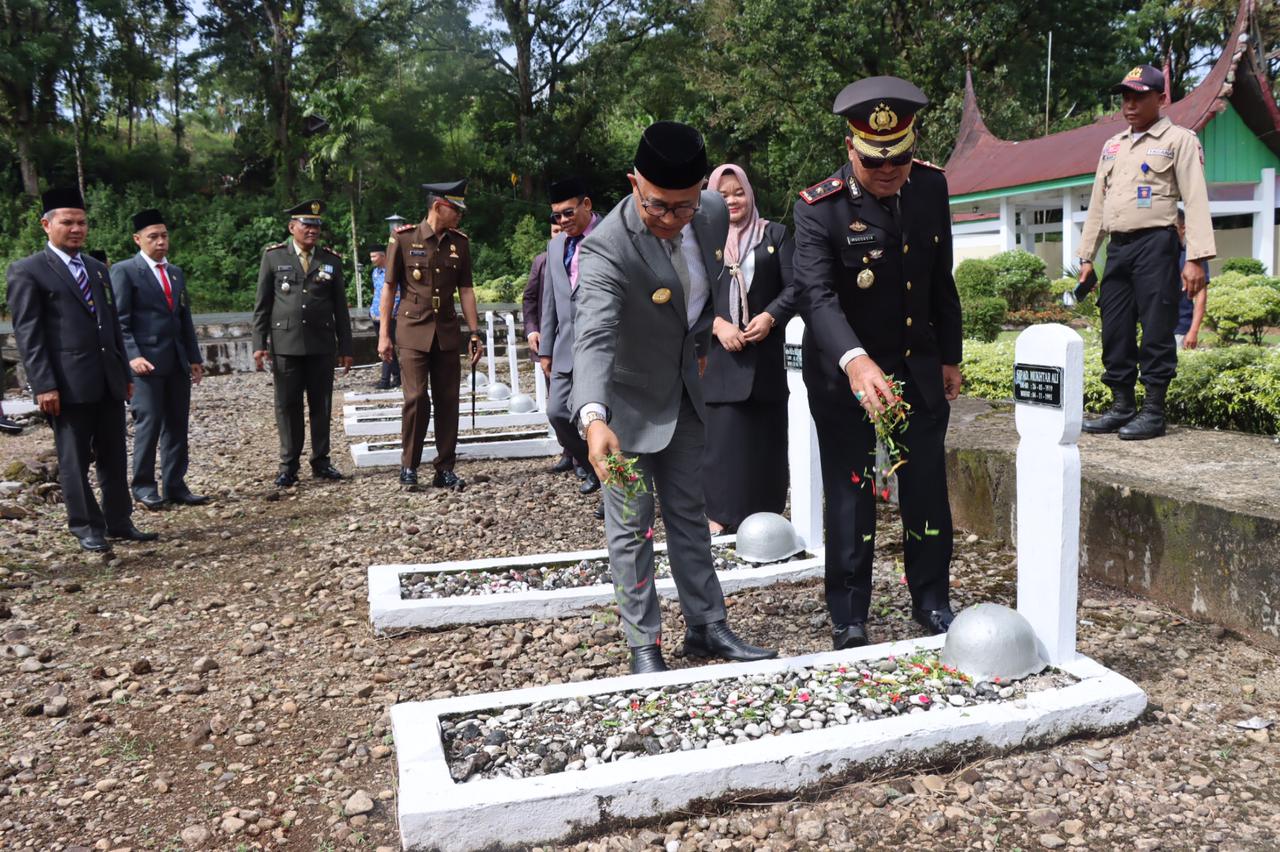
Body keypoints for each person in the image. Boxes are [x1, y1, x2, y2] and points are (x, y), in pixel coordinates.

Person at [573, 120, 776, 674]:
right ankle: (645, 644)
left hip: (685, 393)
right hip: (624, 405)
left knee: (691, 513)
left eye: (683, 208)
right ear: (634, 181)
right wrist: (594, 418)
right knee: (631, 527)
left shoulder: (709, 211)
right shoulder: (605, 249)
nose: (671, 220)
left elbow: (699, 286)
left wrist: (699, 342)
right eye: (659, 206)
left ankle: (707, 626)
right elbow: (592, 338)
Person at [793, 77, 963, 649]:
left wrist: (950, 356)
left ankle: (933, 600)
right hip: (846, 376)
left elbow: (941, 280)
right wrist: (855, 361)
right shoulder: (819, 208)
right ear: (850, 149)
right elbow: (817, 298)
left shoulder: (930, 188)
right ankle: (849, 615)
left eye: (900, 158)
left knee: (925, 486)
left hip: (916, 366)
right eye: (874, 161)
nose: (889, 171)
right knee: (851, 490)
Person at [6, 187, 157, 551]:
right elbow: (29, 333)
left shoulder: (95, 268)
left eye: (82, 222)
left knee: (113, 454)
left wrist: (123, 375)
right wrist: (44, 385)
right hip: (66, 384)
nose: (76, 229)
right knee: (73, 458)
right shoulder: (29, 271)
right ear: (47, 225)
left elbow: (110, 323)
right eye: (67, 222)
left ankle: (119, 521)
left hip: (107, 379)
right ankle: (86, 526)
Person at [1078, 64, 1214, 440]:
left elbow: (1196, 200)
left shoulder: (1179, 140)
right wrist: (1087, 256)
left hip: (1157, 244)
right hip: (1118, 248)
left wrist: (1196, 258)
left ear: (1161, 98)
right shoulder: (1113, 146)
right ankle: (1122, 405)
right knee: (1115, 326)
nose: (1130, 104)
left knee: (1156, 326)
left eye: (1139, 96)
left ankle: (1153, 410)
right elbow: (1098, 204)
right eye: (1125, 96)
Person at [702, 163, 798, 534]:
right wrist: (717, 325)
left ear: (750, 193)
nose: (732, 201)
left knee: (766, 443)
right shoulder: (700, 240)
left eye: (738, 192)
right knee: (723, 445)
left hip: (766, 359)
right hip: (719, 359)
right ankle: (719, 517)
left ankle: (767, 518)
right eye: (723, 195)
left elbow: (796, 286)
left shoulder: (774, 233)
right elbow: (688, 295)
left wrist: (771, 316)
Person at [380, 180, 484, 489]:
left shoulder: (459, 243)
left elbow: (466, 290)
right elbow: (389, 289)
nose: (460, 216)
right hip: (412, 329)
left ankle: (444, 467)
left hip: (447, 330)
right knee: (415, 397)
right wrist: (384, 334)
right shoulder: (403, 238)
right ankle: (409, 465)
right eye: (456, 210)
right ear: (439, 207)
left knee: (448, 399)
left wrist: (475, 332)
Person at [251, 200, 354, 487]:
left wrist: (345, 348)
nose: (313, 230)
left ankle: (321, 461)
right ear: (292, 227)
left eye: (317, 225)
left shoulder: (330, 260)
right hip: (286, 344)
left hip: (321, 344)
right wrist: (259, 343)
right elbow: (262, 305)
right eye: (307, 224)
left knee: (321, 405)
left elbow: (340, 309)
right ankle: (288, 464)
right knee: (287, 405)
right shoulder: (273, 257)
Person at [111, 208, 208, 509]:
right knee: (149, 426)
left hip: (176, 361)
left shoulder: (175, 272)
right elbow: (120, 321)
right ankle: (143, 486)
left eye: (164, 235)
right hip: (146, 365)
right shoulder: (126, 271)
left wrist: (193, 357)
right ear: (137, 239)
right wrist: (132, 357)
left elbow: (184, 318)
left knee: (177, 426)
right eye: (153, 237)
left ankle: (175, 485)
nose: (160, 242)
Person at [540, 176, 604, 506]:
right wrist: (546, 349)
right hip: (566, 347)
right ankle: (591, 465)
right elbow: (550, 299)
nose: (563, 221)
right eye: (556, 216)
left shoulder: (610, 236)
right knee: (557, 414)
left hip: (605, 347)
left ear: (586, 205)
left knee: (606, 426)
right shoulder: (555, 246)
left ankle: (617, 492)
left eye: (568, 213)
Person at [524, 222, 578, 475]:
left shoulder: (586, 252)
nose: (561, 233)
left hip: (582, 337)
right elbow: (532, 298)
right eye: (555, 230)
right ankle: (570, 452)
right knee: (557, 404)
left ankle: (585, 461)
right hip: (555, 338)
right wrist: (533, 329)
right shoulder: (543, 261)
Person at [1174, 209, 1209, 351]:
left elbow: (1201, 297)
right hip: (1154, 328)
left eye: (1172, 228)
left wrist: (1193, 331)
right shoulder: (1156, 255)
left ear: (1183, 228)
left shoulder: (1193, 258)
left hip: (1181, 331)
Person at [368, 244, 401, 389]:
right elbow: (376, 292)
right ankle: (398, 377)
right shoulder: (375, 272)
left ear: (383, 256)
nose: (372, 259)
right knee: (387, 347)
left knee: (386, 347)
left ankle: (384, 380)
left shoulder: (392, 271)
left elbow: (397, 294)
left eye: (374, 256)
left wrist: (392, 312)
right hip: (375, 314)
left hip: (388, 316)